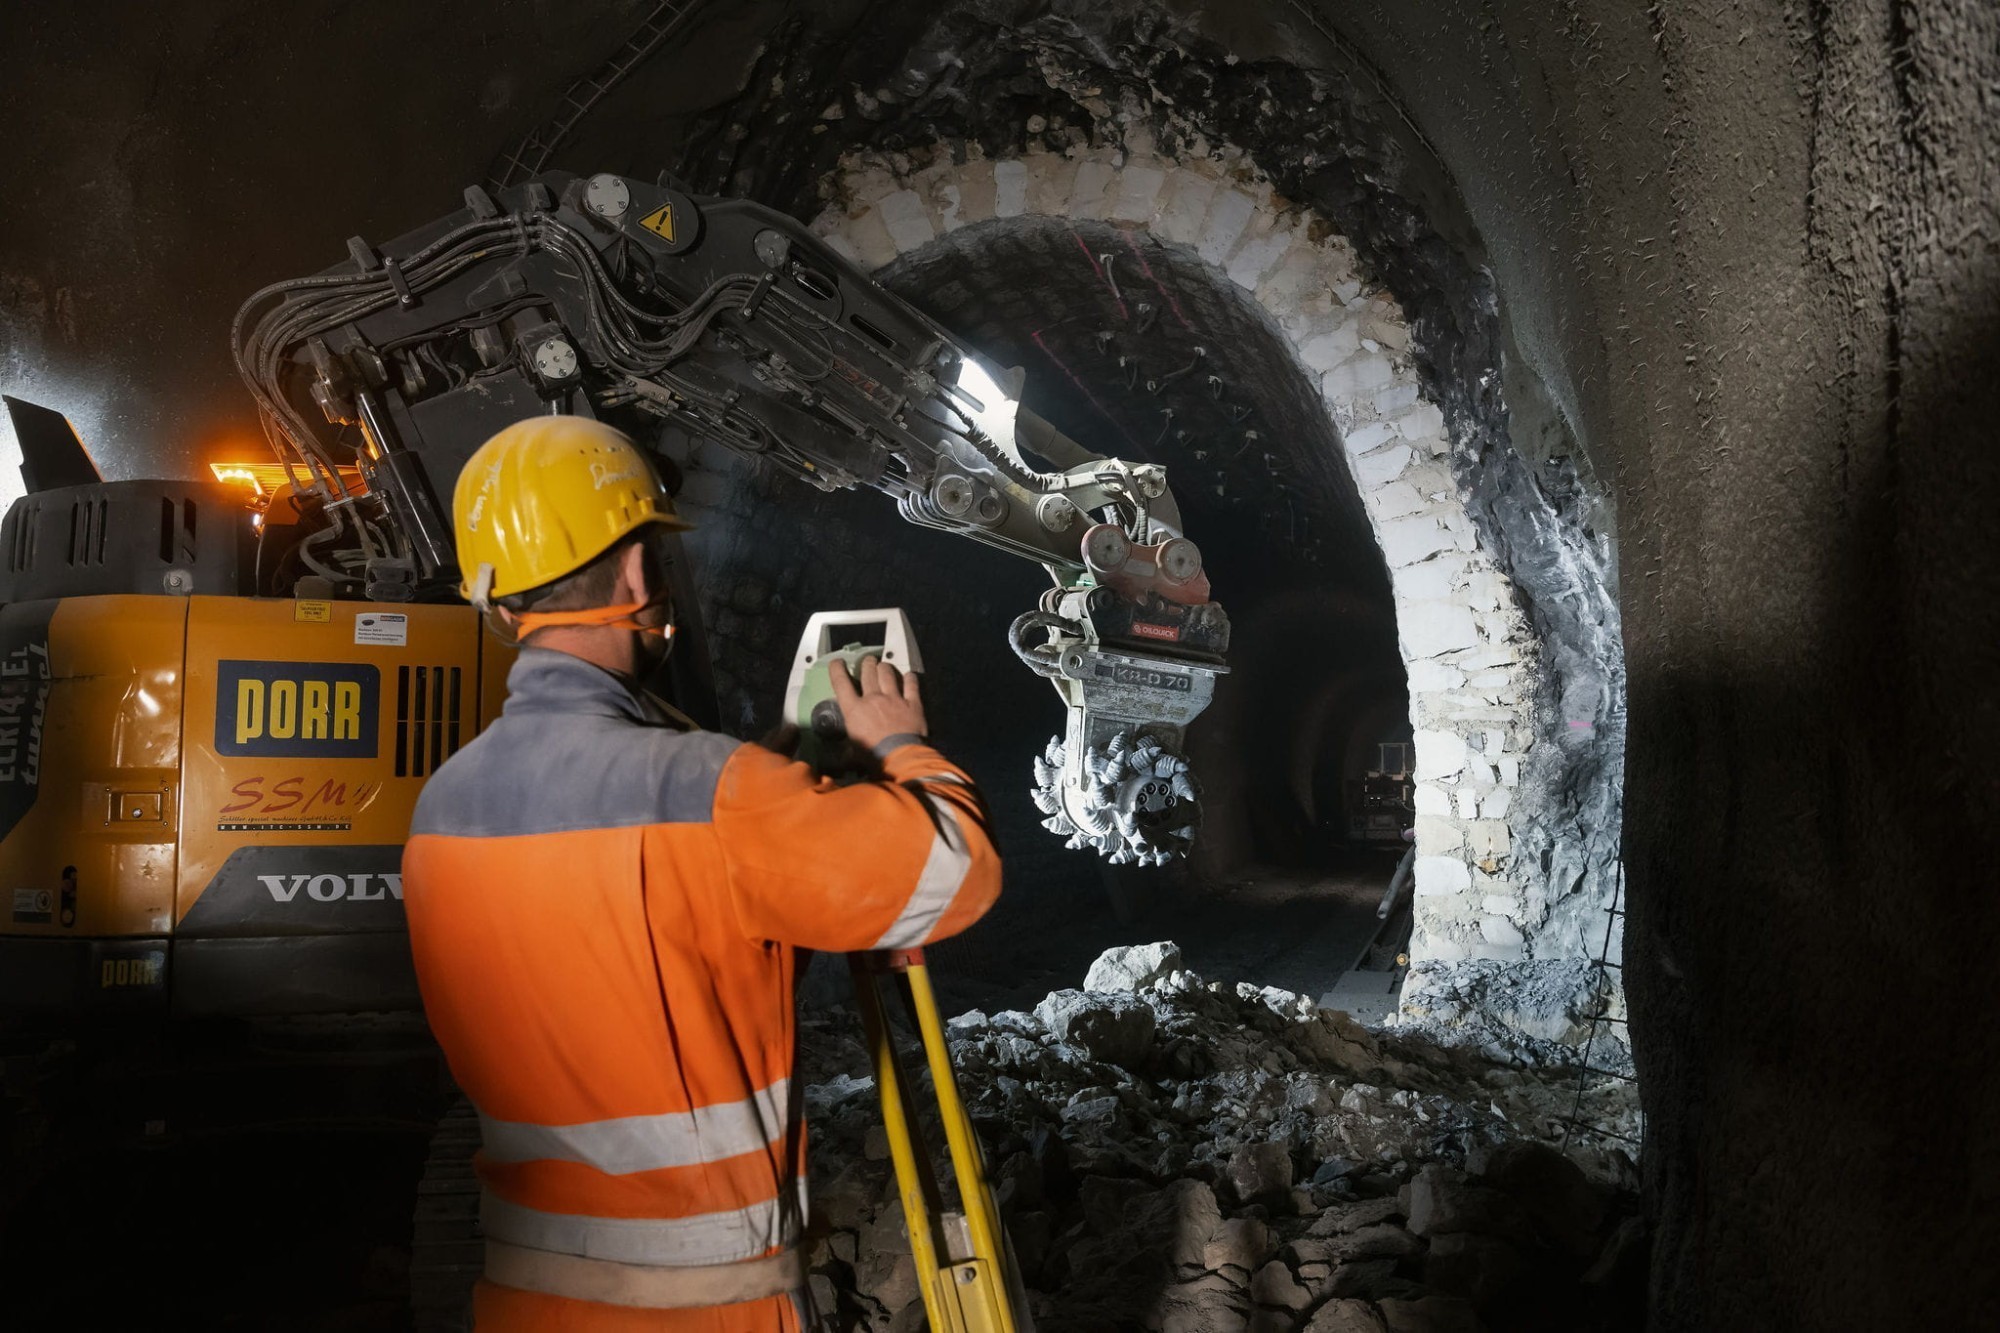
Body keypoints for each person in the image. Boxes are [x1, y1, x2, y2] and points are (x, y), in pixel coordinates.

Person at [401, 416, 1003, 1330]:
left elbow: (661, 957)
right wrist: (901, 746)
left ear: (499, 603)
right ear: (640, 576)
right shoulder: (712, 792)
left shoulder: (440, 812)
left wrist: (773, 777)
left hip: (524, 1304)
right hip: (704, 1313)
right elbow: (958, 874)